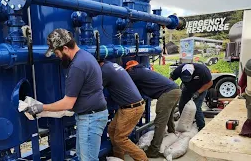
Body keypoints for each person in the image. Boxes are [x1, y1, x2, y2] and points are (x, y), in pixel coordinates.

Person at [25, 28, 108, 161]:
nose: (57, 56)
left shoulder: (77, 66)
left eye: (56, 53)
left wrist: (41, 107)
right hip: (90, 116)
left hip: (90, 119)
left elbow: (68, 103)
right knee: (83, 157)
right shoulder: (85, 56)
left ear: (65, 48)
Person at [125, 60, 181, 158]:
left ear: (130, 68)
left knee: (160, 122)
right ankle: (172, 134)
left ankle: (154, 150)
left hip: (167, 93)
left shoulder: (134, 72)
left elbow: (124, 81)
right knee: (168, 117)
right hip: (176, 90)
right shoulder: (143, 70)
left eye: (128, 70)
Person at [99, 60, 148, 161]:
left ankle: (142, 159)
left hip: (131, 108)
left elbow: (95, 89)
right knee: (112, 129)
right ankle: (119, 158)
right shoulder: (111, 65)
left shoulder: (104, 71)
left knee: (120, 138)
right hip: (128, 106)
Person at [170, 63, 213, 131]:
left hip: (201, 88)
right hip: (187, 88)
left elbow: (210, 83)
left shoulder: (202, 70)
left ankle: (201, 127)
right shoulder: (178, 70)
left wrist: (198, 92)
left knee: (196, 107)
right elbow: (170, 80)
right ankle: (186, 123)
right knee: (181, 105)